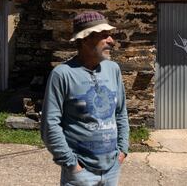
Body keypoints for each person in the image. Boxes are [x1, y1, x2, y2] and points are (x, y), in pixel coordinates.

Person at [41, 11, 129, 186]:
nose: (112, 41)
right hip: (80, 173)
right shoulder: (63, 74)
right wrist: (71, 164)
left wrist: (122, 150)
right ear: (85, 39)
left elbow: (120, 113)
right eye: (105, 36)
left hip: (112, 168)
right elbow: (50, 124)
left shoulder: (113, 69)